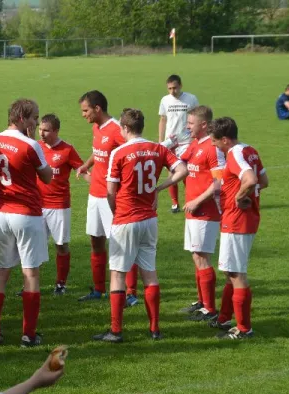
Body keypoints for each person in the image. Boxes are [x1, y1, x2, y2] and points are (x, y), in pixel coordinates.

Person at [93, 108, 187, 343]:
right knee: (150, 274)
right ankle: (155, 329)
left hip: (126, 219)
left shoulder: (120, 153)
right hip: (149, 220)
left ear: (124, 128)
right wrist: (159, 188)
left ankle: (116, 331)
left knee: (117, 274)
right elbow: (182, 170)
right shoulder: (158, 149)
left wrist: (116, 213)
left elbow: (110, 192)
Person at [0, 99, 52, 347]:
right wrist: (36, 142)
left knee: (1, 272)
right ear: (23, 119)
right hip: (27, 214)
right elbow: (46, 177)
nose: (37, 121)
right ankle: (28, 334)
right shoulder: (31, 144)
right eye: (35, 117)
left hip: (2, 213)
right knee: (31, 274)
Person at [208, 117, 269, 339]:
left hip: (237, 221)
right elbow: (264, 181)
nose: (214, 146)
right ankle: (224, 318)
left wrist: (239, 197)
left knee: (236, 273)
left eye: (215, 142)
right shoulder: (249, 149)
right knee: (230, 271)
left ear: (225, 139)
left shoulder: (234, 154)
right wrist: (247, 195)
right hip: (248, 218)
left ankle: (244, 329)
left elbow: (252, 180)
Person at [75, 90, 135, 304]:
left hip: (113, 196)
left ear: (97, 108)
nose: (83, 114)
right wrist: (86, 165)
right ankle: (99, 289)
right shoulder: (96, 127)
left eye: (85, 110)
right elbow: (98, 151)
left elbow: (132, 155)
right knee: (96, 240)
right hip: (95, 194)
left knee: (121, 244)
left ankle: (130, 292)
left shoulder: (117, 130)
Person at [179, 106, 225, 321]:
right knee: (196, 256)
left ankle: (210, 309)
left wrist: (197, 200)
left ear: (204, 124)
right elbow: (181, 163)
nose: (187, 126)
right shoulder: (195, 143)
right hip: (193, 211)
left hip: (205, 211)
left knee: (202, 257)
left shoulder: (213, 148)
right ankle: (202, 301)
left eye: (191, 123)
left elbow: (218, 182)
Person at [37, 114, 84, 295]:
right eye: (40, 129)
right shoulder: (37, 147)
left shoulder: (67, 149)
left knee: (61, 245)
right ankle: (31, 284)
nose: (42, 133)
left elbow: (81, 169)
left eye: (46, 130)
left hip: (59, 205)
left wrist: (98, 184)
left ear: (56, 131)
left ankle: (61, 284)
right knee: (35, 246)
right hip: (37, 205)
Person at [158, 74, 199, 213]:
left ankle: (190, 199)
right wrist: (161, 140)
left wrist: (196, 137)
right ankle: (175, 204)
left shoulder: (191, 99)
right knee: (172, 173)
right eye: (169, 88)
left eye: (174, 88)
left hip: (186, 141)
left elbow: (196, 119)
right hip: (170, 142)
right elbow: (163, 120)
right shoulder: (165, 100)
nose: (172, 91)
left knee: (186, 173)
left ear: (180, 85)